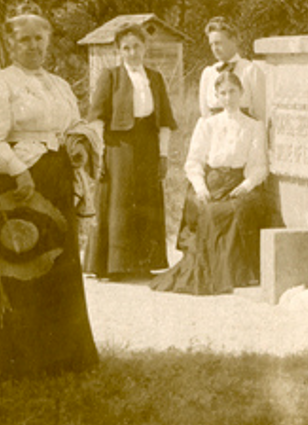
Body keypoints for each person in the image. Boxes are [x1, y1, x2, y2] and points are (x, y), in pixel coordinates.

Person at [0, 2, 99, 377]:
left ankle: (60, 356)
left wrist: (79, 145)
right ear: (9, 45)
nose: (33, 46)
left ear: (48, 41)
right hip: (13, 183)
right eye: (24, 40)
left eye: (39, 39)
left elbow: (75, 124)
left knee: (55, 262)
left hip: (55, 181)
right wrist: (18, 171)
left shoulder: (59, 85)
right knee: (14, 263)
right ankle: (5, 358)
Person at [150, 71, 270, 295]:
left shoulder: (254, 126)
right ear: (216, 96)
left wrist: (246, 185)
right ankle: (214, 270)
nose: (228, 98)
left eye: (232, 92)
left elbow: (259, 165)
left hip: (237, 181)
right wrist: (201, 187)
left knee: (240, 208)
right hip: (211, 181)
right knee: (209, 210)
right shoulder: (207, 124)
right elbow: (193, 162)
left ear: (241, 93)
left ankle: (236, 272)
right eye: (222, 93)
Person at [83, 24, 178, 280]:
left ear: (145, 48)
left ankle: (143, 263)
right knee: (119, 202)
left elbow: (165, 121)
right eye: (126, 48)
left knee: (146, 202)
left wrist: (163, 154)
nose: (132, 52)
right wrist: (99, 153)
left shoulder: (155, 78)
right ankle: (114, 266)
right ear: (118, 51)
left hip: (148, 144)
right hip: (118, 146)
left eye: (136, 46)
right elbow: (97, 119)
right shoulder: (110, 76)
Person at [198, 16, 268, 122]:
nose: (214, 49)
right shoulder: (208, 73)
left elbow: (261, 114)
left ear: (233, 40)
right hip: (215, 135)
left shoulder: (251, 70)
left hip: (243, 134)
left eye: (218, 43)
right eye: (211, 44)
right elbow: (205, 114)